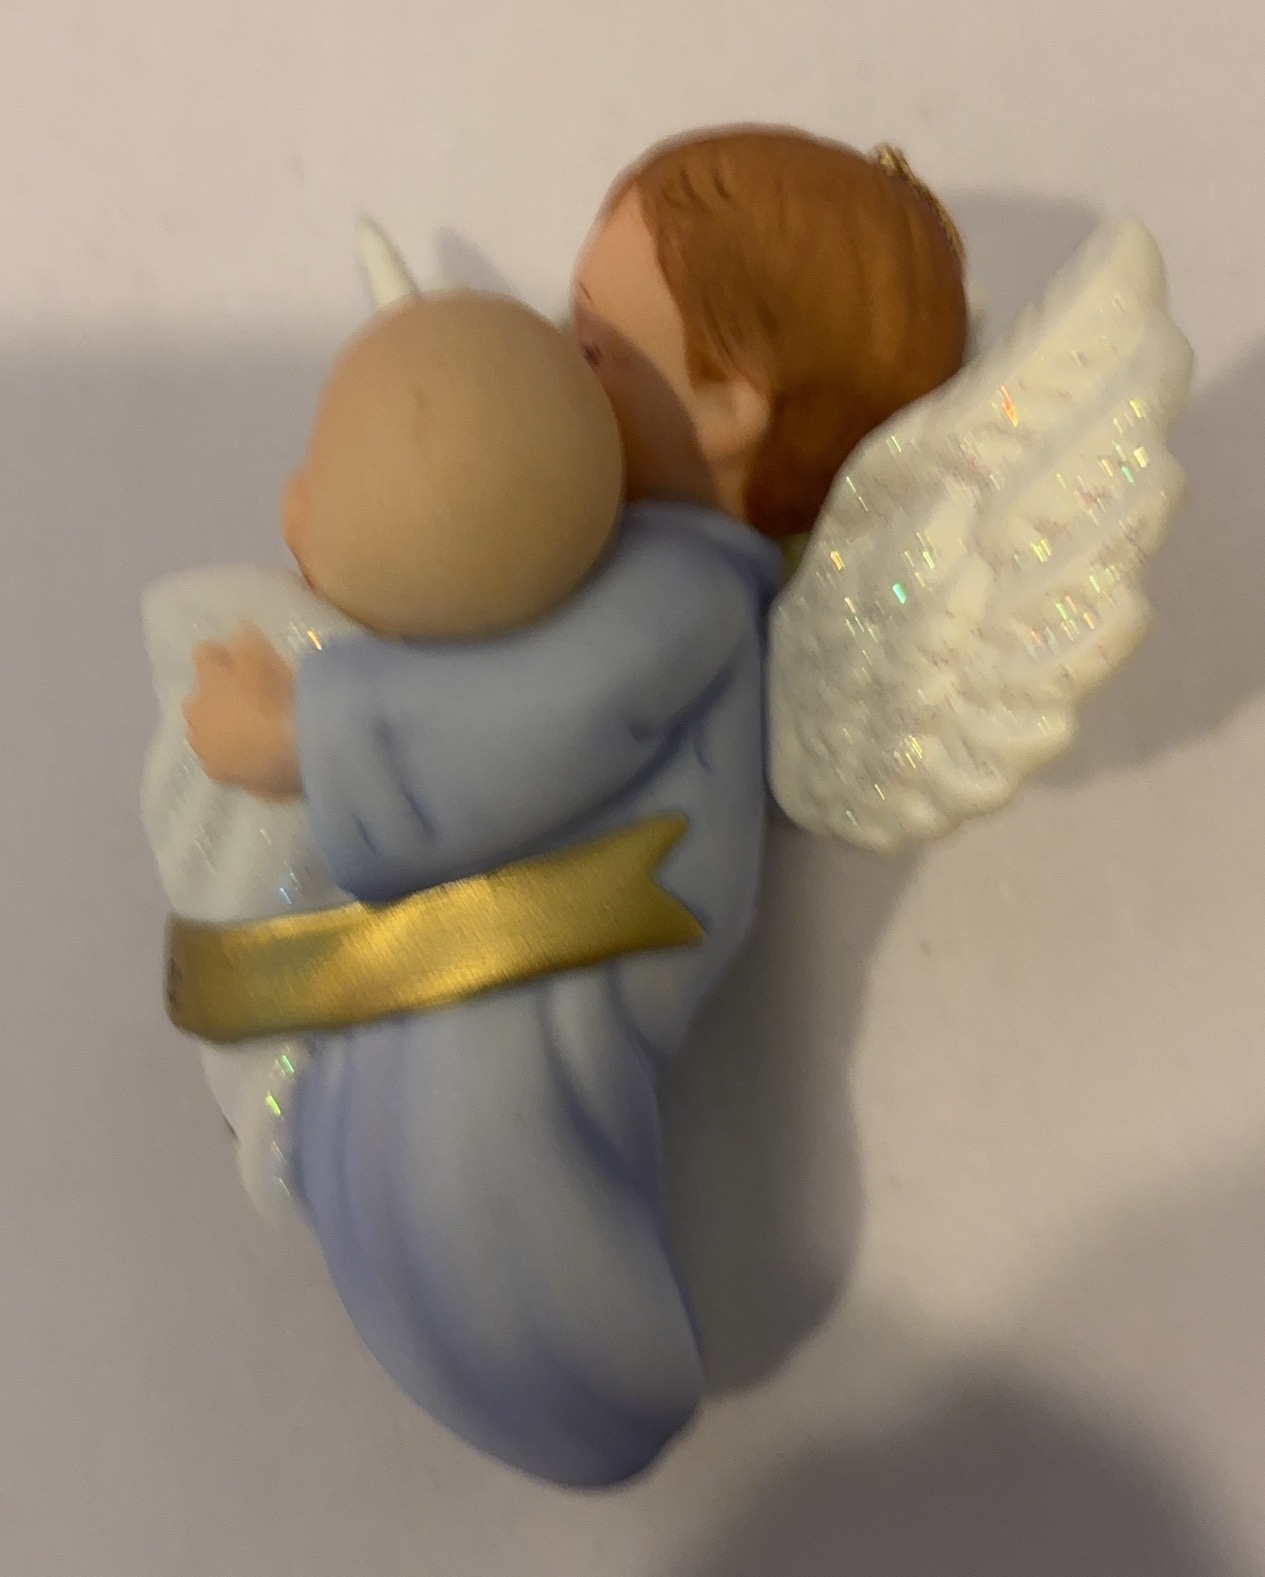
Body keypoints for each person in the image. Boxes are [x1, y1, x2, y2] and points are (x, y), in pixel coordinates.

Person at [176, 286, 784, 1486]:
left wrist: (304, 739)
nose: (563, 348)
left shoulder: (687, 586)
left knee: (476, 1155)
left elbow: (536, 724)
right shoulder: (631, 555)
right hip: (507, 924)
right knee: (405, 1122)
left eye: (595, 345)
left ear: (725, 407)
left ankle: (588, 1376)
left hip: (578, 934)